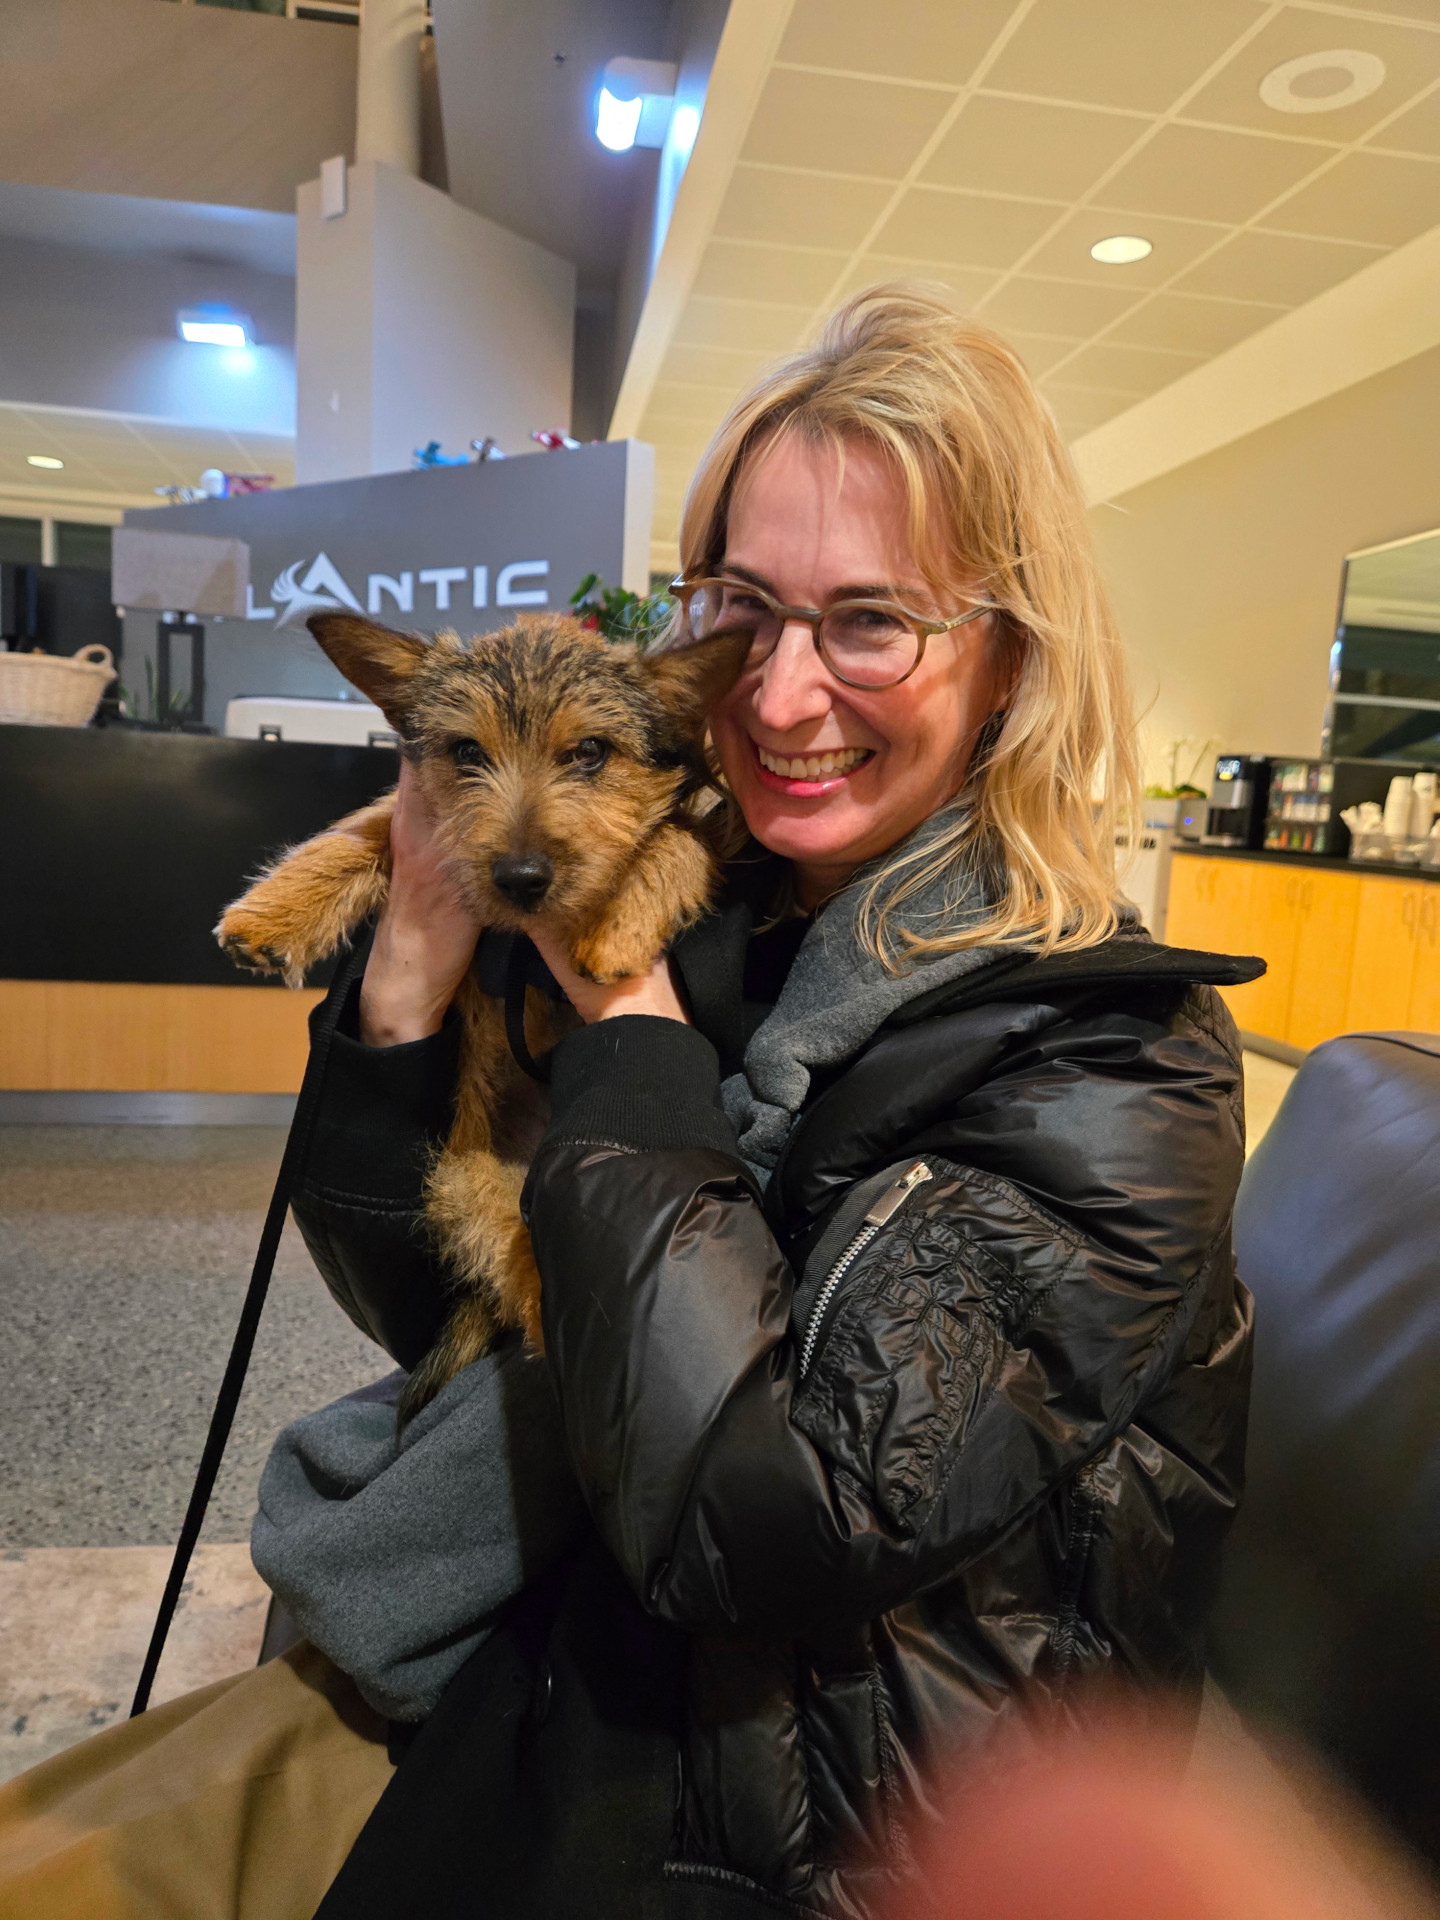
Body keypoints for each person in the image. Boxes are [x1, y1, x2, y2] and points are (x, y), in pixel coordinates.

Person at [0, 287, 1258, 1919]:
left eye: (870, 621)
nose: (779, 694)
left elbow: (760, 1522)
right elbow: (434, 1303)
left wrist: (630, 1031)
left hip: (795, 1814)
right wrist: (405, 985)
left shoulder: (1112, 1065)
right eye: (743, 605)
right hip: (549, 1636)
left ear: (1012, 654)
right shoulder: (733, 901)